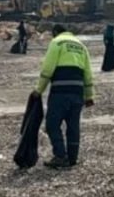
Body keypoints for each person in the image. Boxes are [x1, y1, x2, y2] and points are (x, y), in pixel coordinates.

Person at [32, 23, 95, 168]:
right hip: (77, 92)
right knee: (73, 126)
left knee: (52, 124)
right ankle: (73, 158)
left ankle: (60, 155)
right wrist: (89, 95)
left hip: (60, 92)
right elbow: (88, 73)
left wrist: (39, 90)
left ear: (55, 32)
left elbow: (48, 68)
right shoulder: (81, 46)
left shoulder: (57, 42)